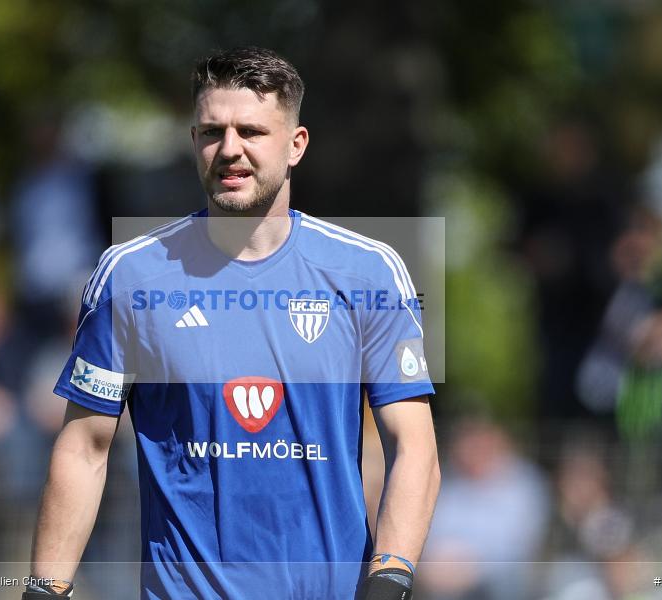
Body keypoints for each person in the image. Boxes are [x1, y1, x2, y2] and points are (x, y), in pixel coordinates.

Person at [24, 46, 441, 600]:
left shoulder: (367, 272)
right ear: (193, 141)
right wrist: (45, 590)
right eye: (211, 131)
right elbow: (84, 448)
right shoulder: (130, 276)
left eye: (251, 131)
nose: (230, 150)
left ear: (296, 145)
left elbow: (415, 447)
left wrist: (389, 577)